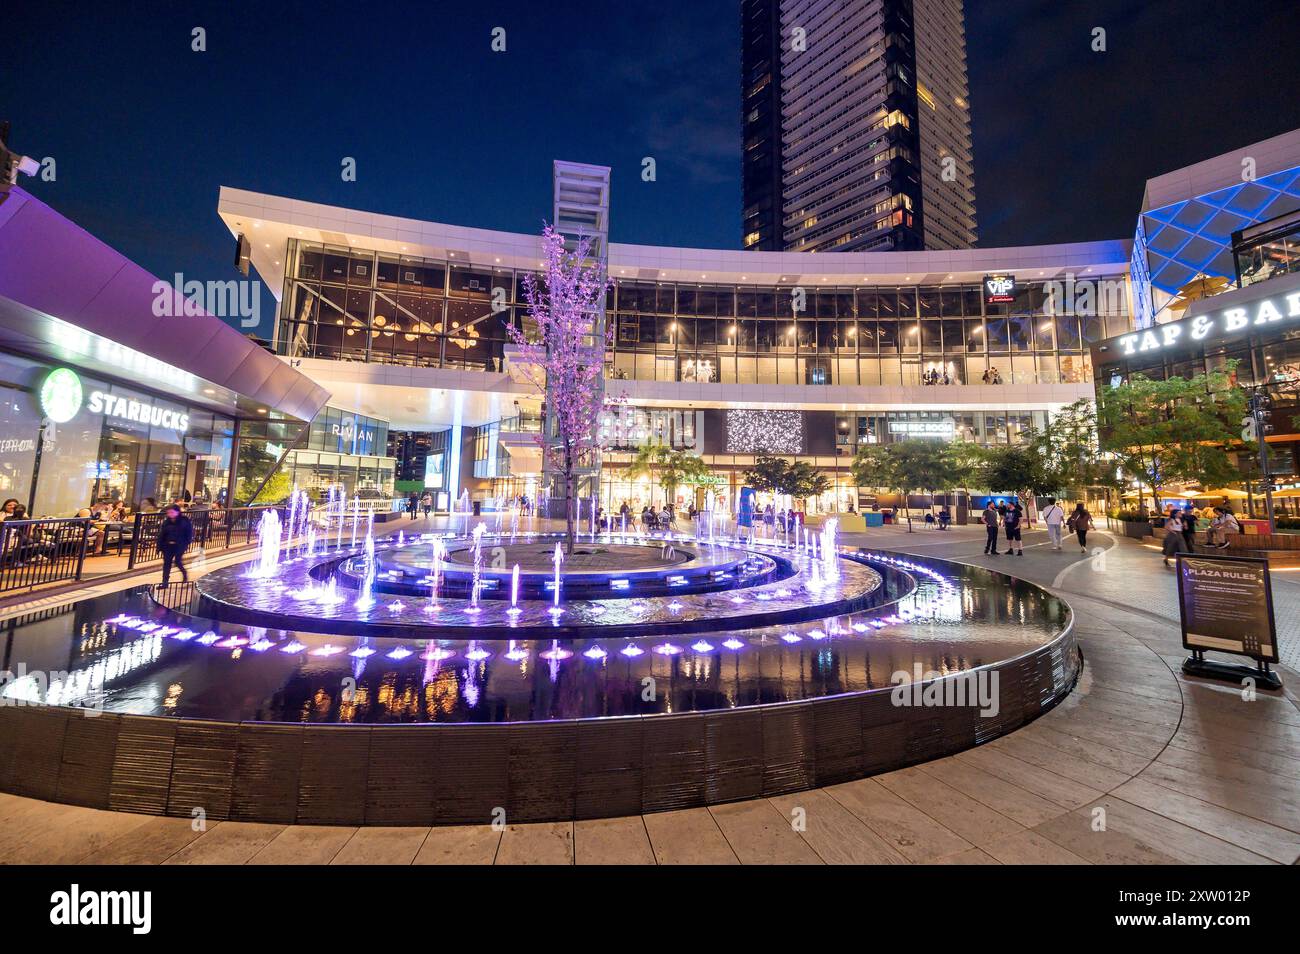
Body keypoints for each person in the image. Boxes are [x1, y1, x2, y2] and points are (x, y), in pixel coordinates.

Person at [156, 505, 193, 587]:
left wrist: (187, 543)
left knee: (177, 561)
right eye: (168, 512)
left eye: (172, 512)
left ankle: (184, 574)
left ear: (177, 512)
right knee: (167, 564)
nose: (170, 514)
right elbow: (161, 535)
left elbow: (189, 533)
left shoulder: (184, 521)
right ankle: (165, 583)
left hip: (179, 545)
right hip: (167, 545)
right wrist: (159, 547)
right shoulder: (166, 522)